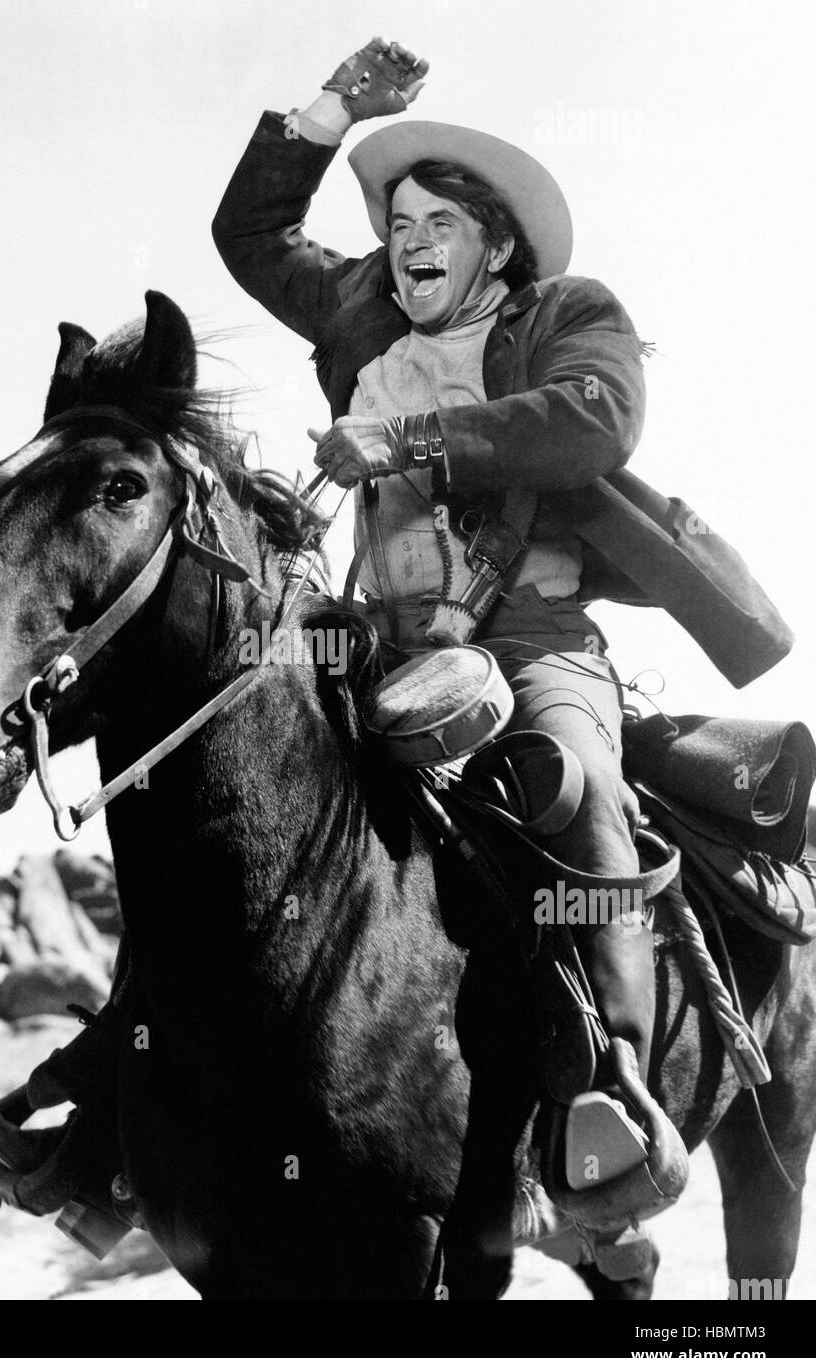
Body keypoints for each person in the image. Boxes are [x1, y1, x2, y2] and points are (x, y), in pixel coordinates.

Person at [209, 35, 689, 1228]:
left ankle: (606, 1090)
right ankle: (133, 1077)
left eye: (437, 224)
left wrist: (408, 441)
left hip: (529, 636)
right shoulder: (363, 306)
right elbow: (249, 240)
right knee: (229, 778)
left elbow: (591, 422)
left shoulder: (568, 316)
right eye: (397, 222)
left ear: (497, 245)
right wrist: (329, 111)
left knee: (573, 784)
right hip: (367, 638)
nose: (409, 243)